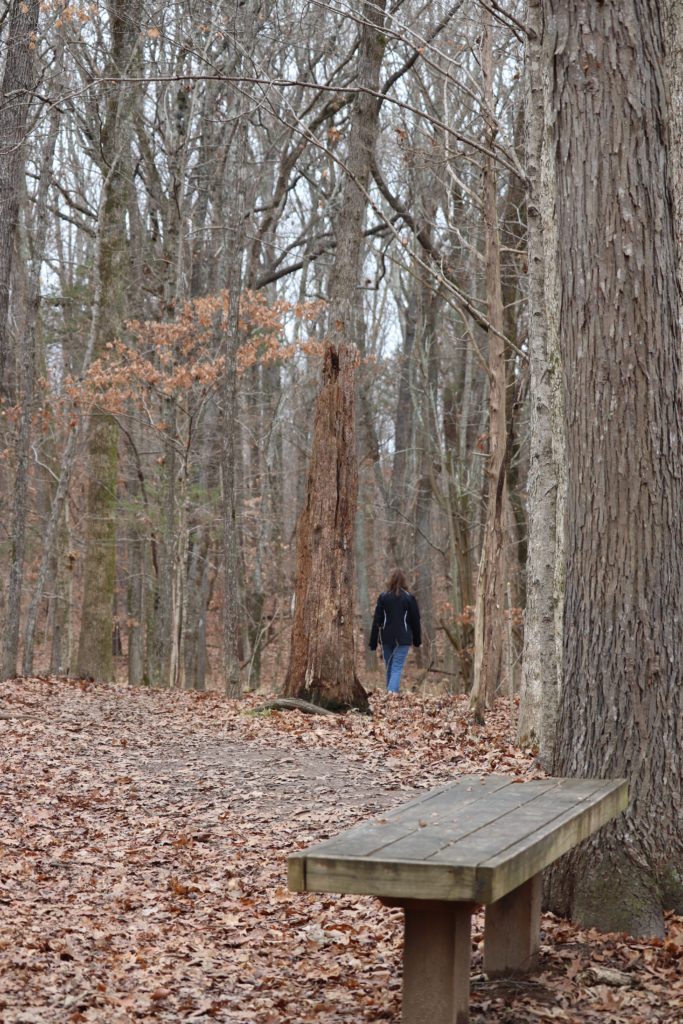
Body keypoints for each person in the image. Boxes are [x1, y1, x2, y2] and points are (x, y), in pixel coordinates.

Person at [369, 569, 421, 693]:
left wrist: (373, 642)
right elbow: (416, 621)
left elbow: (377, 620)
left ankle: (390, 694)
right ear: (404, 581)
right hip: (403, 638)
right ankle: (391, 694)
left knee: (390, 667)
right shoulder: (409, 598)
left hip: (386, 637)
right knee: (396, 667)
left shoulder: (383, 597)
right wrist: (417, 640)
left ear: (391, 580)